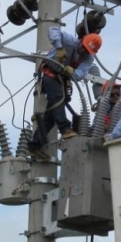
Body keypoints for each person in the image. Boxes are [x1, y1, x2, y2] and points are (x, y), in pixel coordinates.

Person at [28, 26, 102, 161]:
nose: (83, 51)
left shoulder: (88, 58)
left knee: (51, 116)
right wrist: (59, 47)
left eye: (87, 50)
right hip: (49, 73)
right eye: (84, 47)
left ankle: (34, 145)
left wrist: (73, 72)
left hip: (61, 80)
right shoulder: (70, 41)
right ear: (82, 41)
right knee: (58, 99)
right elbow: (53, 30)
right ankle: (65, 129)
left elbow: (81, 73)